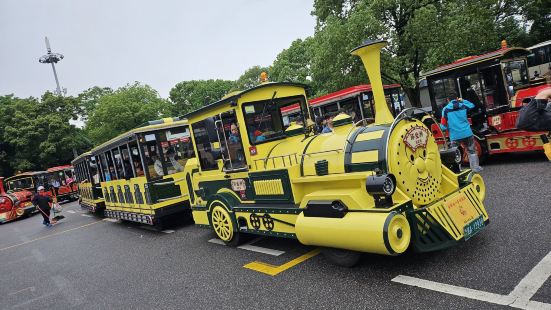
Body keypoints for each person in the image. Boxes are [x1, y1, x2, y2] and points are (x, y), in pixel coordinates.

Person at [440, 92, 483, 172]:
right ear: (457, 98)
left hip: (454, 135)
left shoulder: (445, 109)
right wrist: (462, 100)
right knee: (472, 150)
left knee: (455, 153)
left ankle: (457, 170)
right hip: (467, 133)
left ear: (448, 100)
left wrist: (445, 129)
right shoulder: (463, 105)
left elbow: (443, 126)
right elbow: (472, 105)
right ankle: (475, 168)